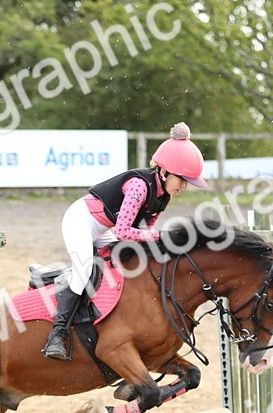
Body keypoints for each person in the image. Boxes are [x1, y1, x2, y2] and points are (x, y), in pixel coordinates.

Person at [42, 122, 208, 360]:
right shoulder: (140, 186)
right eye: (182, 179)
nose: (184, 186)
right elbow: (124, 232)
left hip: (103, 228)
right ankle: (57, 334)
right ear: (165, 172)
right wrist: (162, 237)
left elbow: (144, 231)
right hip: (82, 221)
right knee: (85, 268)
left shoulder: (163, 197)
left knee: (123, 261)